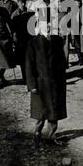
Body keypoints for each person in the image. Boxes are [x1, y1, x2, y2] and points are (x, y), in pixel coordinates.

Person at [25, 14, 67, 146]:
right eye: (45, 26)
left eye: (50, 25)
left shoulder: (57, 40)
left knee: (54, 110)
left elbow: (61, 60)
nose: (48, 28)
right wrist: (32, 85)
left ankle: (51, 135)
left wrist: (62, 78)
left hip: (55, 82)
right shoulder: (33, 43)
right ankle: (37, 134)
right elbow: (29, 65)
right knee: (40, 112)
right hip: (40, 83)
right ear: (39, 27)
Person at [11, 0, 34, 83]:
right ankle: (25, 78)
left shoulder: (31, 13)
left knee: (31, 59)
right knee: (22, 61)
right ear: (18, 3)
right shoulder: (14, 15)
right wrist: (14, 40)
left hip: (29, 39)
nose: (23, 4)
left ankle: (32, 77)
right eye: (21, 3)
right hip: (20, 41)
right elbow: (12, 30)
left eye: (24, 2)